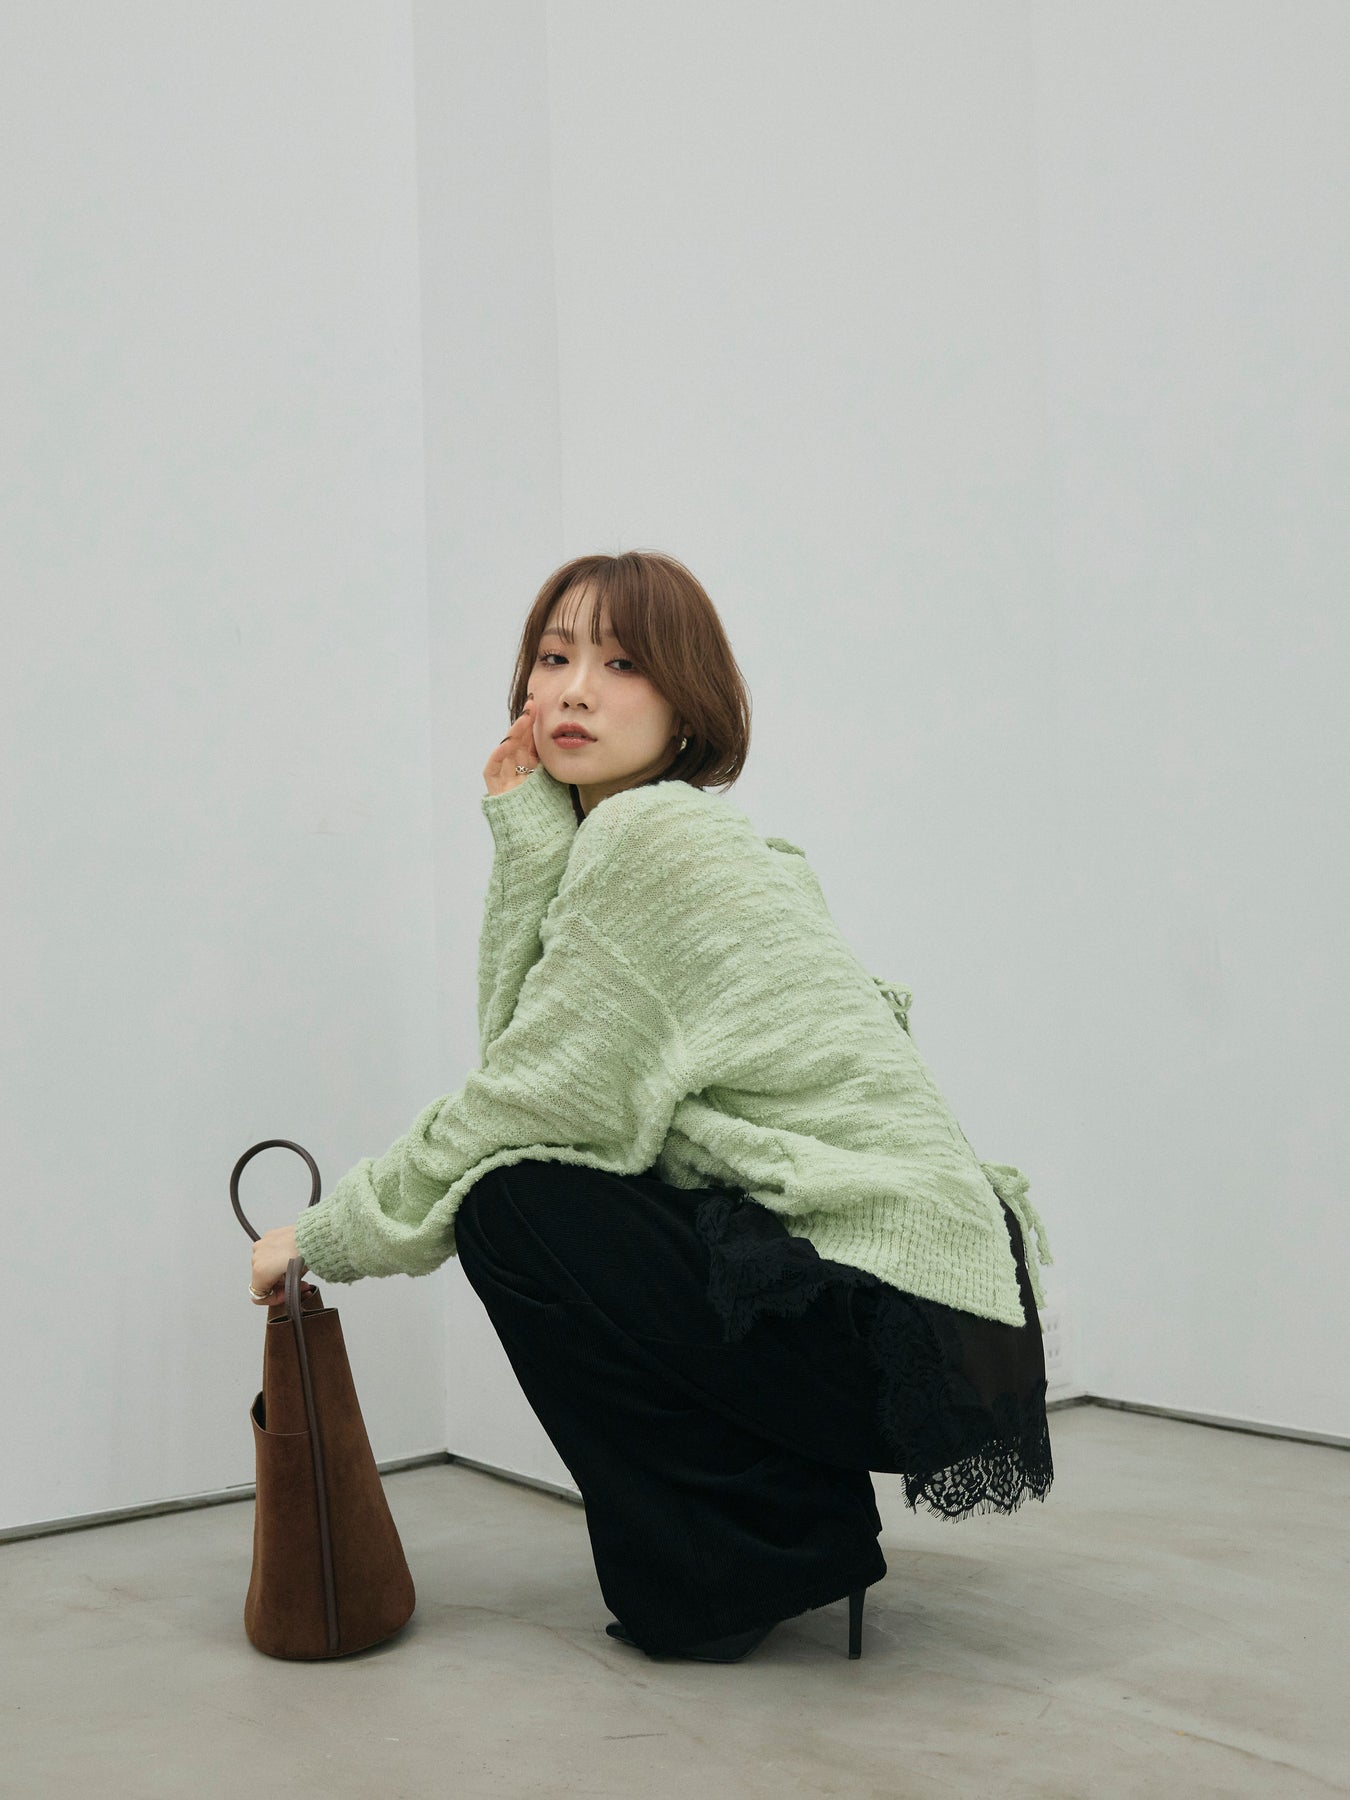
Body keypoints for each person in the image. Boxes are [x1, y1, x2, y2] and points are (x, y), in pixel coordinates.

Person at [249, 549, 1055, 1663]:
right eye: (553, 658)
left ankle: (744, 1566)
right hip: (937, 1314)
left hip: (891, 1318)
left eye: (622, 664)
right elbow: (541, 1065)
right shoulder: (670, 837)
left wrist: (327, 1233)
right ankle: (776, 1540)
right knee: (536, 1189)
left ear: (687, 707)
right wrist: (531, 835)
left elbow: (525, 1098)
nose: (575, 690)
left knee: (514, 1207)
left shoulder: (650, 841)